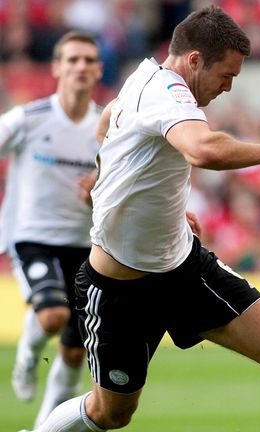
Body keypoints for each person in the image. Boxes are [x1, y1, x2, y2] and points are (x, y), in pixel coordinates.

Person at [26, 6, 260, 432]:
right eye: (226, 75)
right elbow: (203, 150)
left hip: (183, 268)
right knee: (110, 413)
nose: (228, 88)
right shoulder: (166, 92)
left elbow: (106, 123)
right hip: (120, 289)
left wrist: (118, 185)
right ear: (193, 60)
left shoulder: (143, 78)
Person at [0, 31, 102, 428]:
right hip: (33, 237)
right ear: (57, 67)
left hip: (87, 245)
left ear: (98, 69)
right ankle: (28, 356)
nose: (80, 66)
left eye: (88, 60)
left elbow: (127, 181)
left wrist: (101, 187)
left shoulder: (106, 128)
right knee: (52, 316)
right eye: (72, 59)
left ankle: (43, 429)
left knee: (76, 355)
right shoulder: (29, 118)